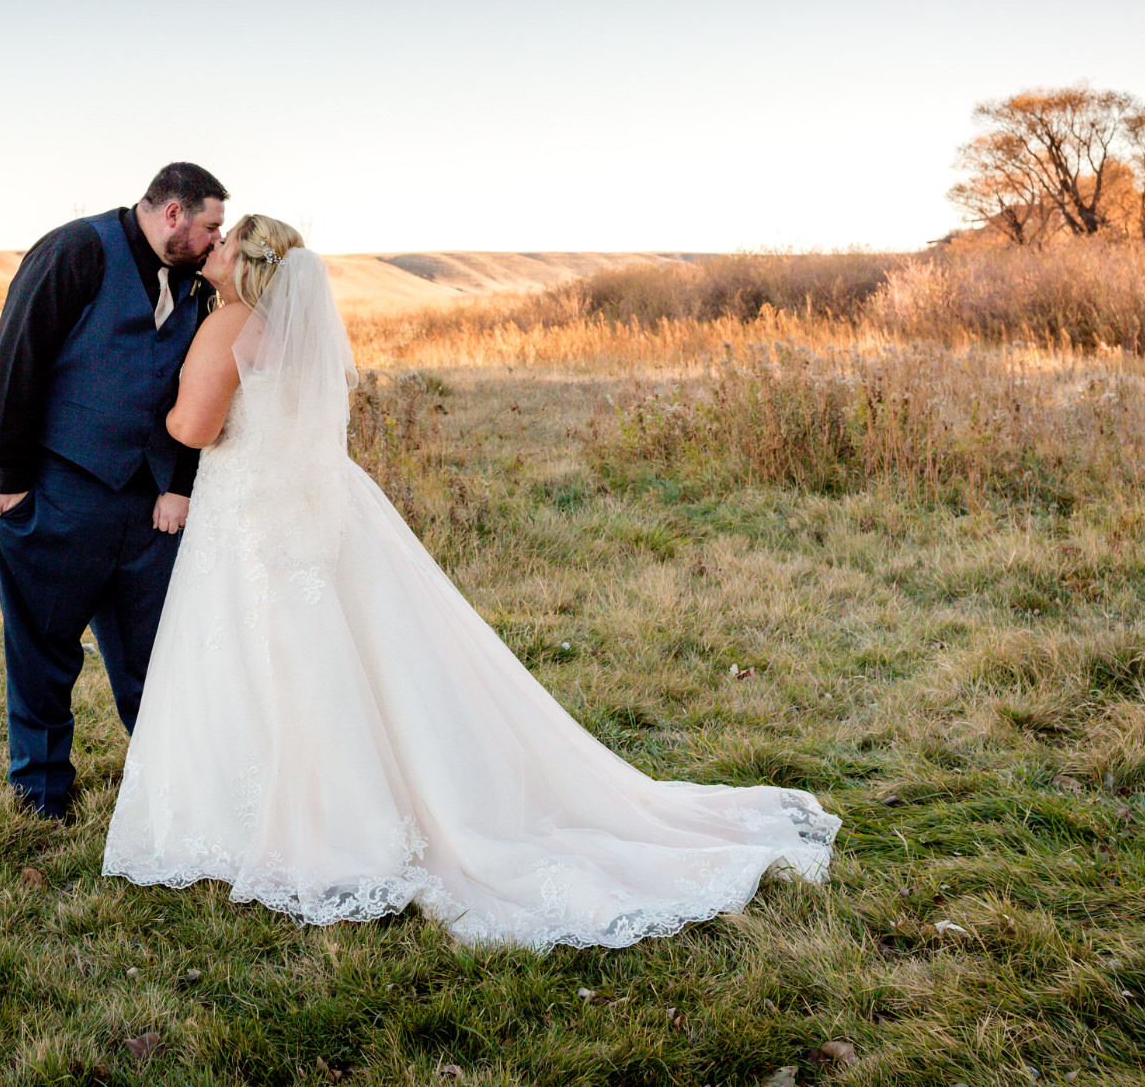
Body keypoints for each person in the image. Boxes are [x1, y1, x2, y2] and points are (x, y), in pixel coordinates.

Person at [103, 215, 841, 949]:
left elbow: (193, 428)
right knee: (344, 653)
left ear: (247, 263)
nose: (215, 246)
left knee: (258, 657)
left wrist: (159, 405)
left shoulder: (228, 323)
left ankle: (268, 823)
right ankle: (362, 807)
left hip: (253, 512)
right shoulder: (294, 329)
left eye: (227, 239)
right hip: (321, 501)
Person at [0, 162, 227, 821]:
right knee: (42, 653)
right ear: (173, 213)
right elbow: (20, 353)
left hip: (152, 510)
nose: (215, 242)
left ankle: (173, 798)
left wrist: (178, 484)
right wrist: (10, 477)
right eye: (210, 227)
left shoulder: (202, 288)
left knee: (155, 660)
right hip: (63, 491)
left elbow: (198, 395)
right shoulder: (78, 250)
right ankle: (40, 796)